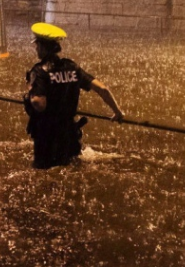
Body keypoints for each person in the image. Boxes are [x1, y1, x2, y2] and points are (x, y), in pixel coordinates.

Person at [24, 22, 124, 168]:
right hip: (69, 132)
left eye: (37, 45)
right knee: (70, 167)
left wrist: (29, 94)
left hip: (47, 135)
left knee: (44, 174)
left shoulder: (39, 71)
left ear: (43, 47)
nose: (36, 48)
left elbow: (39, 104)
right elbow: (103, 89)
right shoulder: (72, 67)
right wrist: (117, 112)